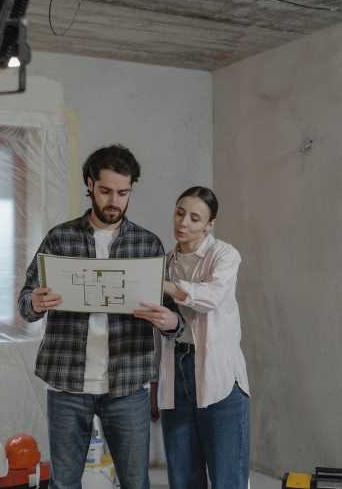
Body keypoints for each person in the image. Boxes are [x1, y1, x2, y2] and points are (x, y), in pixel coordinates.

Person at [18, 144, 181, 489]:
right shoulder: (60, 238)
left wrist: (170, 323)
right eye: (106, 190)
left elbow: (175, 319)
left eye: (123, 193)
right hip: (67, 381)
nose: (114, 201)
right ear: (90, 184)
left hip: (127, 385)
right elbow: (25, 305)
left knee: (136, 482)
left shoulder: (147, 245)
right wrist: (35, 301)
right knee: (64, 482)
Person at [135, 186, 250, 489]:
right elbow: (159, 331)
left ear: (209, 224)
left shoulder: (225, 255)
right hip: (176, 379)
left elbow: (210, 298)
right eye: (180, 212)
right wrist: (155, 385)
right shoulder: (166, 261)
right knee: (183, 478)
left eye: (195, 218)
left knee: (228, 479)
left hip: (221, 381)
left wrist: (168, 286)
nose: (183, 223)